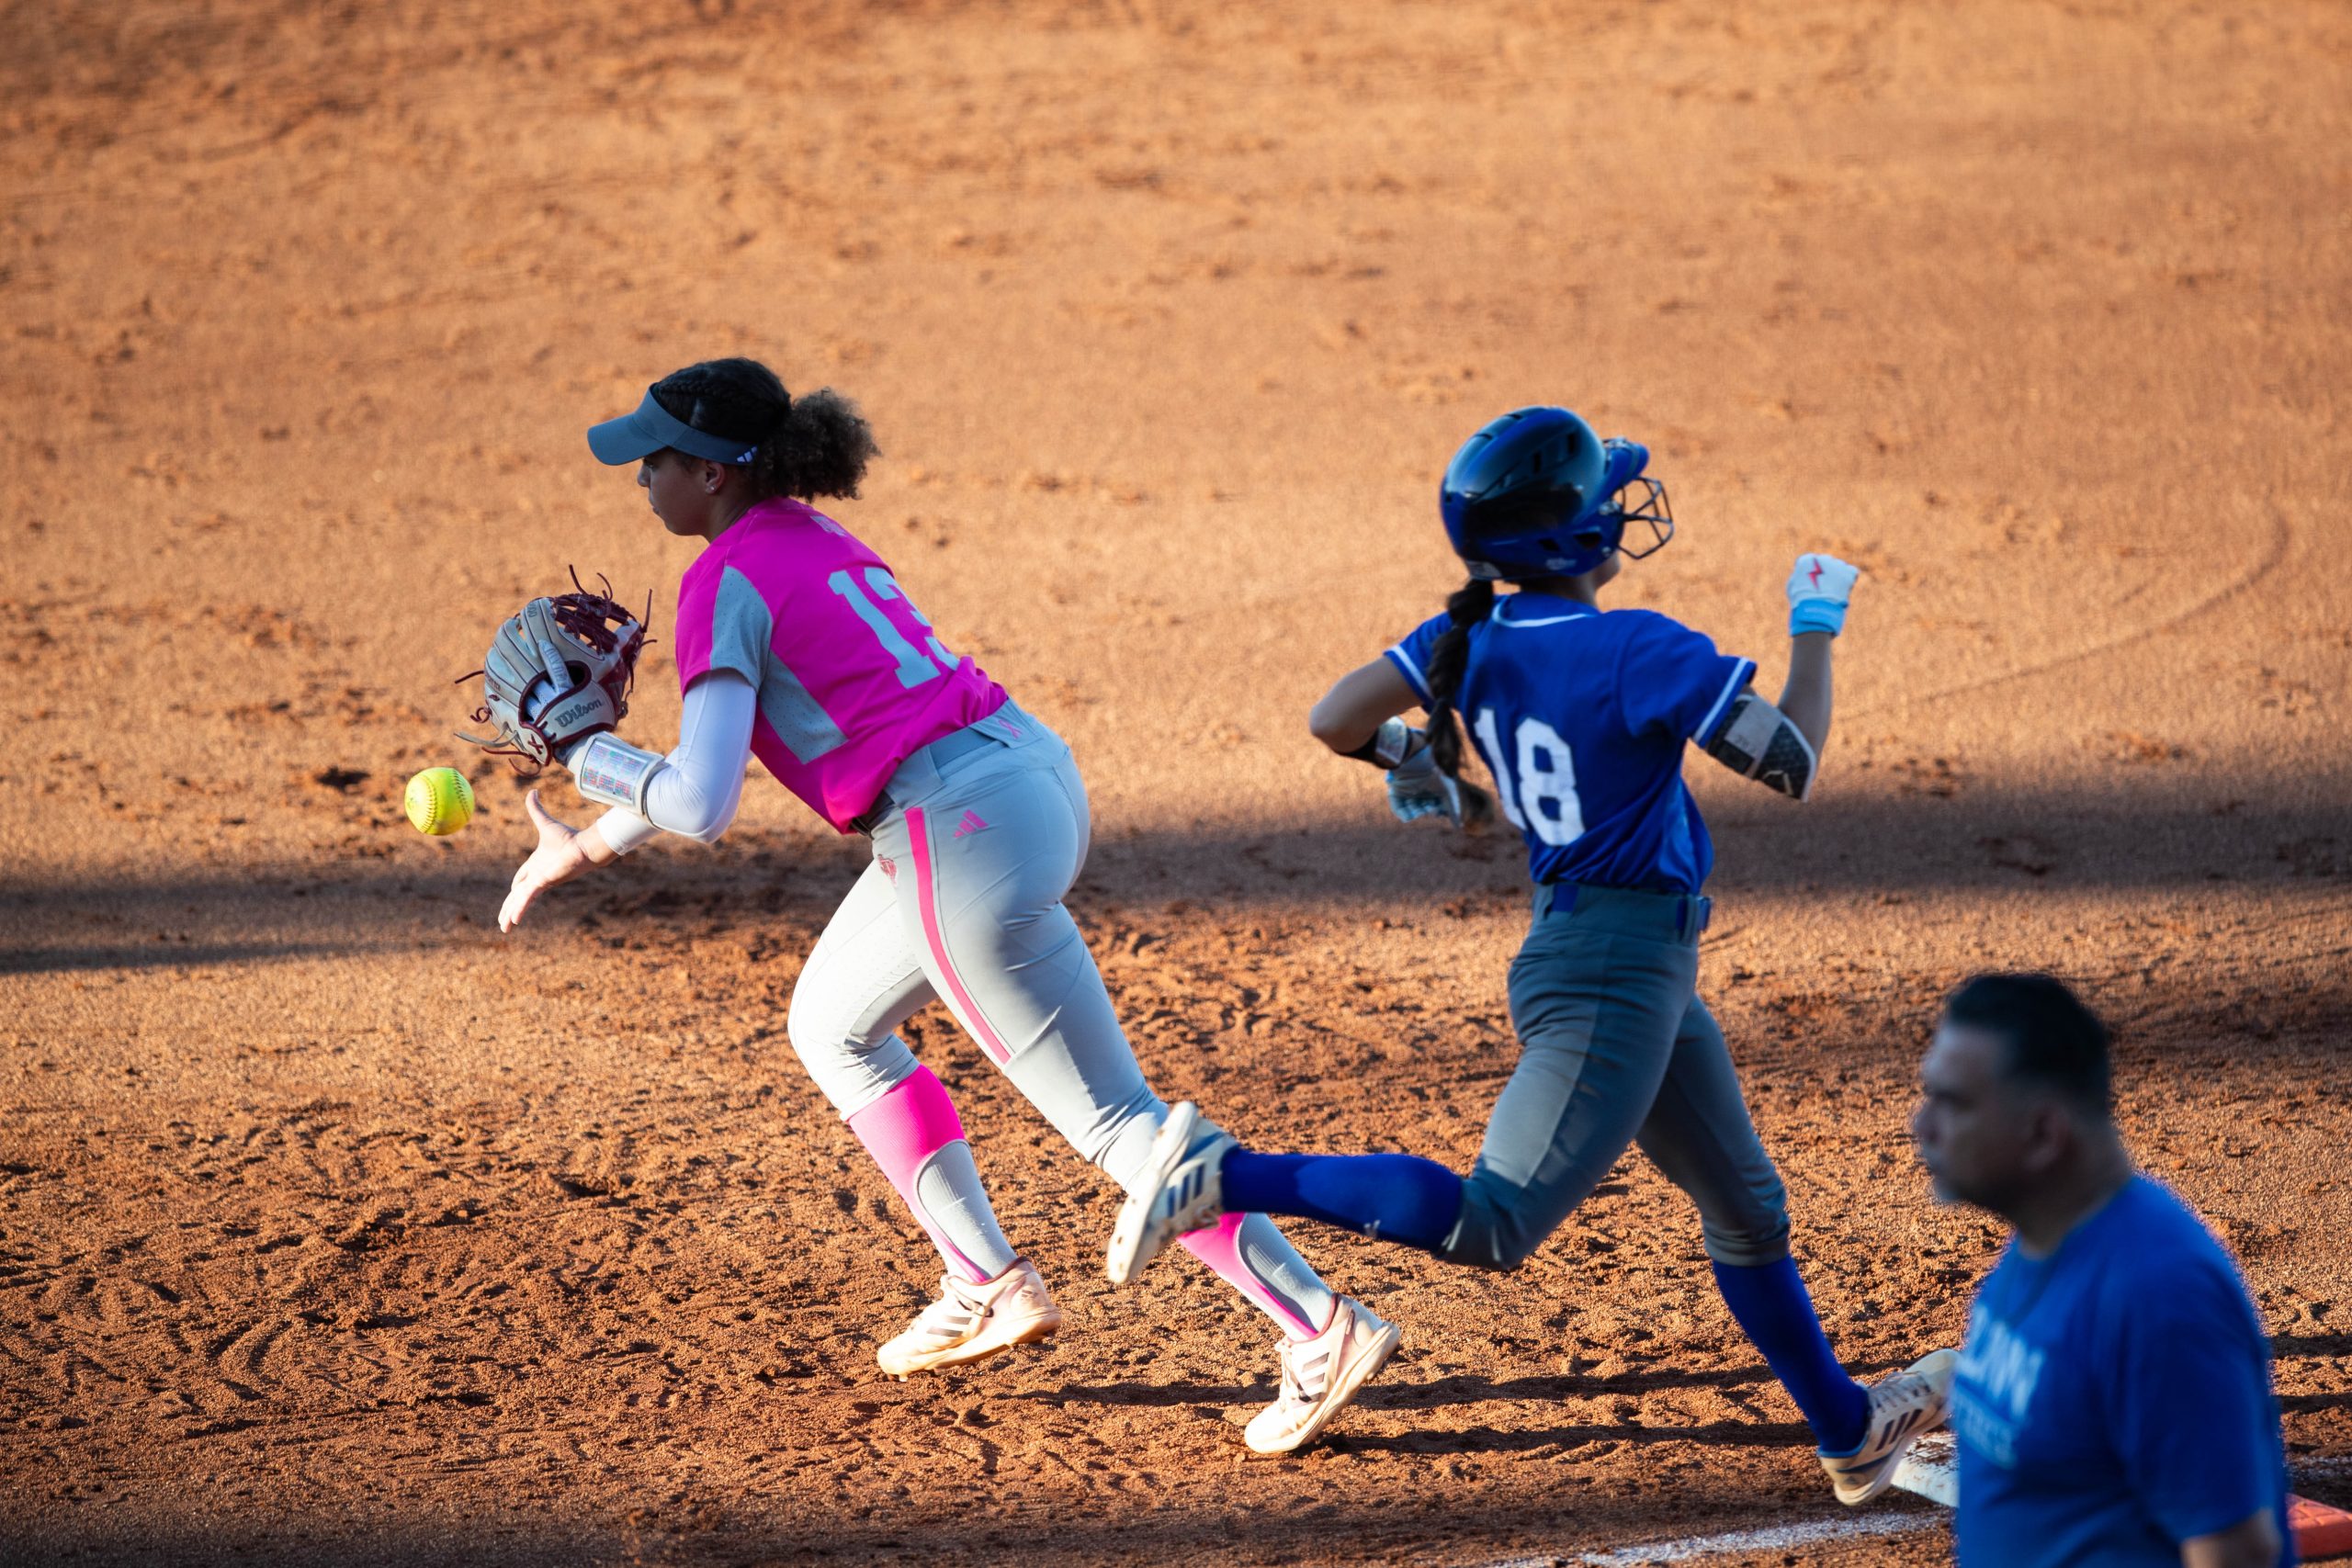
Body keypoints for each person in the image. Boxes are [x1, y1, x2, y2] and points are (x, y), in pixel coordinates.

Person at [492, 356, 1399, 1453]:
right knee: (831, 1024)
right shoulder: (805, 541)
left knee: (1113, 1118)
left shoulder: (720, 581)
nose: (640, 478)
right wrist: (582, 847)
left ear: (717, 473)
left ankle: (1318, 1324)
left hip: (951, 830)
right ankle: (985, 1278)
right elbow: (698, 766)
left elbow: (702, 803)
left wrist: (589, 755)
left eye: (657, 459)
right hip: (1020, 780)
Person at [1104, 405, 1952, 1501]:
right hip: (1612, 977)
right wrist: (1816, 624)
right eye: (1600, 494)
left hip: (1617, 964)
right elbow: (1788, 760)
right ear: (1570, 540)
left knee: (1747, 1209)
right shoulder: (1635, 647)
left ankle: (1849, 1431)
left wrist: (1419, 760)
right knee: (1492, 1224)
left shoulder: (1467, 640)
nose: (1616, 504)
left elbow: (1334, 718)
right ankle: (1222, 1177)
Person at [1915, 973, 2293, 1567]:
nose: (1923, 1126)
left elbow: (2237, 1552)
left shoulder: (2158, 1297)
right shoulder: (2040, 1240)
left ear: (2043, 1132)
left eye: (1954, 1103)